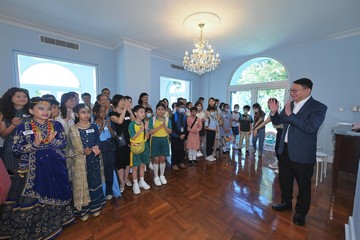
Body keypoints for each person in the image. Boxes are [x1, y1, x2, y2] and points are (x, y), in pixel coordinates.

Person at [0, 97, 74, 239]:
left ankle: (56, 223)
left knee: (57, 192)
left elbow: (63, 143)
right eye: (41, 108)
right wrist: (33, 145)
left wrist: (53, 142)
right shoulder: (24, 127)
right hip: (33, 169)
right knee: (33, 197)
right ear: (30, 110)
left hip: (55, 166)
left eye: (48, 109)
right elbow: (15, 150)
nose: (46, 112)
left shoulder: (56, 125)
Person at [268, 78, 327, 226]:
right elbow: (278, 122)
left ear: (308, 91)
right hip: (285, 150)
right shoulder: (290, 105)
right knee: (285, 181)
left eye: (295, 90)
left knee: (303, 185)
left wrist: (290, 115)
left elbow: (310, 128)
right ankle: (286, 203)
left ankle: (301, 213)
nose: (292, 93)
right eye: (291, 90)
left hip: (302, 153)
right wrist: (274, 112)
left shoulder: (319, 107)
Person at [68, 104, 106, 221]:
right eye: (83, 112)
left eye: (88, 112)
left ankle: (95, 207)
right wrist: (82, 151)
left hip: (93, 160)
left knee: (93, 182)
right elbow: (69, 149)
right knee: (83, 184)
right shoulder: (73, 129)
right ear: (76, 114)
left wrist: (96, 147)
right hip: (80, 162)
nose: (86, 115)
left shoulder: (93, 126)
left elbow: (97, 141)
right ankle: (83, 210)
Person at [0, 87, 31, 175]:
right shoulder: (4, 114)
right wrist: (13, 125)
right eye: (18, 96)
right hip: (11, 148)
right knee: (15, 176)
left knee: (30, 175)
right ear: (10, 98)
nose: (22, 98)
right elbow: (3, 134)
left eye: (24, 96)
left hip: (30, 147)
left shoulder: (32, 112)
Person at [109, 94, 135, 192]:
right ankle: (122, 183)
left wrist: (130, 110)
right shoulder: (112, 114)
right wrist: (125, 110)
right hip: (119, 142)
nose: (124, 103)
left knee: (128, 162)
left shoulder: (127, 113)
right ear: (116, 102)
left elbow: (133, 121)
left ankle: (125, 178)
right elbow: (119, 121)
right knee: (120, 163)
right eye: (122, 101)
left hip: (129, 140)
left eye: (125, 101)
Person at [93, 104, 117, 200]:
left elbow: (114, 136)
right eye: (101, 111)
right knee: (100, 170)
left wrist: (108, 126)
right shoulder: (93, 124)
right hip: (99, 148)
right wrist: (102, 127)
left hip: (110, 147)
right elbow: (94, 138)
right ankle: (100, 191)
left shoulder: (108, 122)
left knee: (109, 169)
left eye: (104, 111)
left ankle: (109, 191)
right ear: (95, 113)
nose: (103, 113)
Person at [254, 98, 283, 173]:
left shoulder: (281, 112)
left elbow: (279, 124)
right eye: (269, 103)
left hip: (284, 133)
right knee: (277, 149)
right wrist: (256, 128)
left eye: (273, 103)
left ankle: (281, 167)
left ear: (277, 104)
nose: (270, 105)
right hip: (279, 132)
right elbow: (266, 121)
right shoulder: (271, 113)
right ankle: (278, 164)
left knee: (281, 151)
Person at [128, 105, 151, 194]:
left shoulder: (145, 122)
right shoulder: (132, 124)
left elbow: (147, 137)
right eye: (141, 112)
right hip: (136, 148)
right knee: (135, 167)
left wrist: (146, 130)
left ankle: (142, 181)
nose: (143, 114)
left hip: (144, 146)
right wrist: (141, 130)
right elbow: (133, 137)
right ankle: (135, 183)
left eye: (144, 112)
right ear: (135, 113)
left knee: (142, 165)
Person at [148, 102, 172, 186]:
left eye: (162, 109)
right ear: (156, 110)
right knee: (156, 159)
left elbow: (170, 131)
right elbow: (150, 132)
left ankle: (162, 175)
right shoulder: (153, 120)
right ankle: (156, 176)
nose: (160, 111)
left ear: (165, 111)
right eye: (159, 109)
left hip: (164, 140)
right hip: (155, 140)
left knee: (162, 159)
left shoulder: (168, 120)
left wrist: (165, 127)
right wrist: (160, 127)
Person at [170, 102, 188, 171]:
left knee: (181, 149)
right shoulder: (174, 115)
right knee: (175, 150)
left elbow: (185, 126)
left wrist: (184, 134)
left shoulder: (184, 115)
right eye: (180, 107)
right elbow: (173, 126)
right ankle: (174, 163)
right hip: (175, 135)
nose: (182, 108)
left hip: (182, 135)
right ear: (176, 107)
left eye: (183, 107)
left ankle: (180, 162)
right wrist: (179, 134)